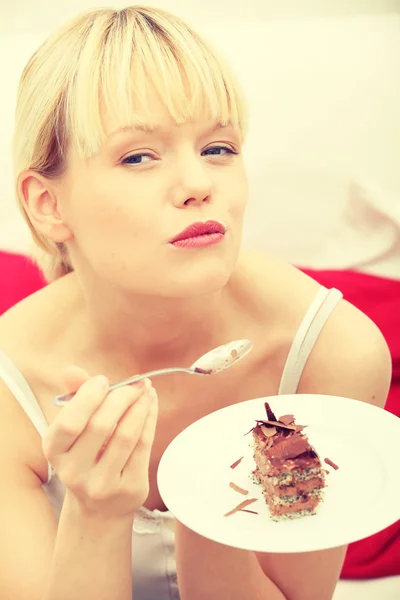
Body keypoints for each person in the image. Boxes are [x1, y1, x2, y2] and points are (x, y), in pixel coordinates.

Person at [0, 5, 391, 600]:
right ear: (48, 204)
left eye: (218, 148)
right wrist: (96, 514)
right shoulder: (13, 385)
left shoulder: (330, 354)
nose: (199, 184)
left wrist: (213, 495)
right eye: (138, 156)